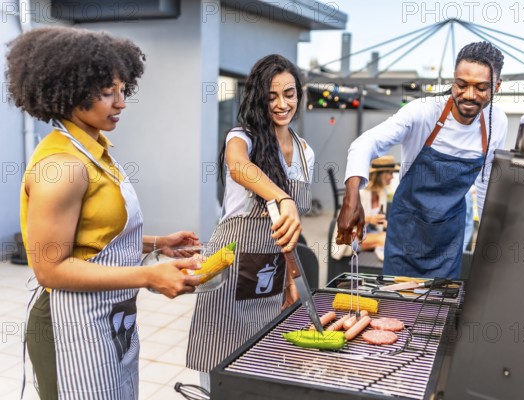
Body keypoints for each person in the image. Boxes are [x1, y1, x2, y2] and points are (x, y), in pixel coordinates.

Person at [7, 27, 202, 399]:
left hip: (109, 319)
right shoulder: (63, 166)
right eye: (106, 93)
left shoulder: (95, 151)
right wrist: (149, 275)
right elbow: (50, 267)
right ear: (69, 91)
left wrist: (158, 244)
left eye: (123, 90)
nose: (120, 102)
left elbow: (93, 238)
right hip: (69, 324)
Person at [186, 54, 314, 390]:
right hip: (230, 262)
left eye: (289, 93)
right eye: (271, 96)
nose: (282, 103)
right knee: (218, 361)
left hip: (269, 273)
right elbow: (238, 166)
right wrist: (281, 197)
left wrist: (291, 277)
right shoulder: (242, 136)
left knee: (260, 362)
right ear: (258, 97)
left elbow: (286, 232)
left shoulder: (304, 153)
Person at [337, 41, 508, 279]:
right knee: (397, 308)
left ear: (496, 86)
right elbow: (365, 144)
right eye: (461, 85)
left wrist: (489, 239)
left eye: (481, 87)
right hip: (406, 231)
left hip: (448, 238)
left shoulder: (496, 122)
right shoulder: (423, 112)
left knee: (438, 310)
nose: (469, 95)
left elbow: (486, 181)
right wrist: (351, 199)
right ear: (453, 80)